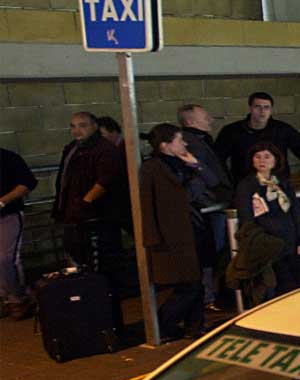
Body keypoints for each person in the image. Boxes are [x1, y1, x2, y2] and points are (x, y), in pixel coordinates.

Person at [139, 124, 216, 339]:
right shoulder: (152, 168)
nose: (184, 144)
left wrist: (196, 164)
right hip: (173, 233)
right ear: (165, 145)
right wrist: (152, 236)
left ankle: (195, 327)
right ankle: (164, 324)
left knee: (196, 282)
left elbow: (213, 180)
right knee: (188, 284)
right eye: (179, 140)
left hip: (195, 228)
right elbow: (148, 202)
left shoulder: (186, 163)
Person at [215, 91, 300, 188]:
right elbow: (217, 159)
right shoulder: (231, 131)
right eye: (258, 107)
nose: (262, 111)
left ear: (271, 110)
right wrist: (229, 184)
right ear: (250, 108)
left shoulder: (282, 130)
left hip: (279, 185)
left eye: (266, 107)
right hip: (246, 187)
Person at [52, 112, 125, 276]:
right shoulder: (73, 148)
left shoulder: (104, 149)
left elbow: (106, 180)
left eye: (82, 125)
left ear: (94, 126)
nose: (76, 130)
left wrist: (85, 203)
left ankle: (106, 291)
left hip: (95, 216)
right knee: (78, 255)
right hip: (76, 213)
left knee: (100, 260)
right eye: (73, 126)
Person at [234, 142, 300, 297]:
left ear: (275, 160)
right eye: (258, 157)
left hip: (291, 240)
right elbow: (247, 218)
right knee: (280, 287)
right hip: (269, 244)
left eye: (267, 156)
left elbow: (295, 212)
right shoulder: (247, 185)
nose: (262, 160)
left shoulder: (282, 183)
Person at [179, 104, 232, 312]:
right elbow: (201, 177)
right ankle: (208, 296)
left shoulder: (201, 141)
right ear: (190, 122)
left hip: (211, 204)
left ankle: (209, 294)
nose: (210, 119)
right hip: (209, 205)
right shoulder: (193, 144)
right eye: (205, 116)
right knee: (212, 251)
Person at [0, 148, 37, 320]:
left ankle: (19, 298)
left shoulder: (8, 157)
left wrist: (2, 201)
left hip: (8, 214)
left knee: (6, 259)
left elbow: (27, 183)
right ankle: (8, 297)